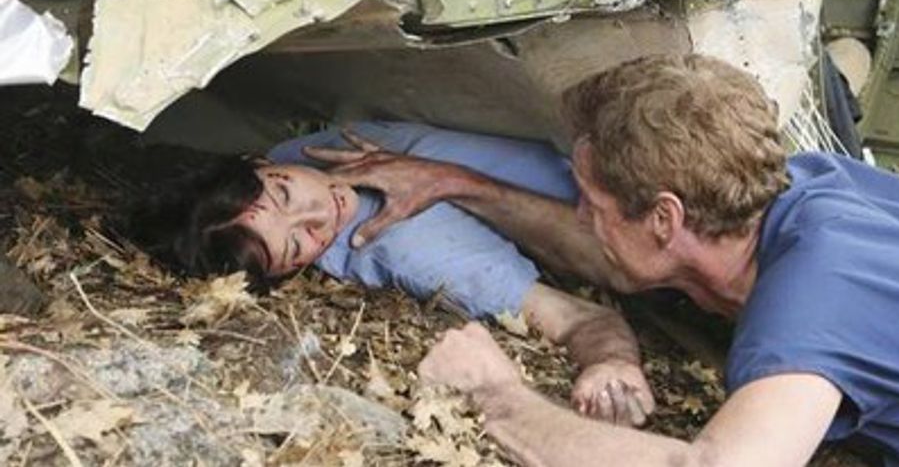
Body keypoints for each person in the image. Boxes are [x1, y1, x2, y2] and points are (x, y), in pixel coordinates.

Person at [304, 55, 899, 466]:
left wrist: (496, 397)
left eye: (593, 202)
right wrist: (458, 183)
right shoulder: (805, 187)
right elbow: (615, 253)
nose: (581, 215)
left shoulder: (810, 309)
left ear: (665, 217)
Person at [131, 121, 655, 426]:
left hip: (615, 160)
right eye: (295, 244)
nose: (318, 214)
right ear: (290, 273)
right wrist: (612, 364)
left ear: (260, 162)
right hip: (639, 216)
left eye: (286, 192)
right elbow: (580, 319)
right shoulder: (408, 250)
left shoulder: (304, 150)